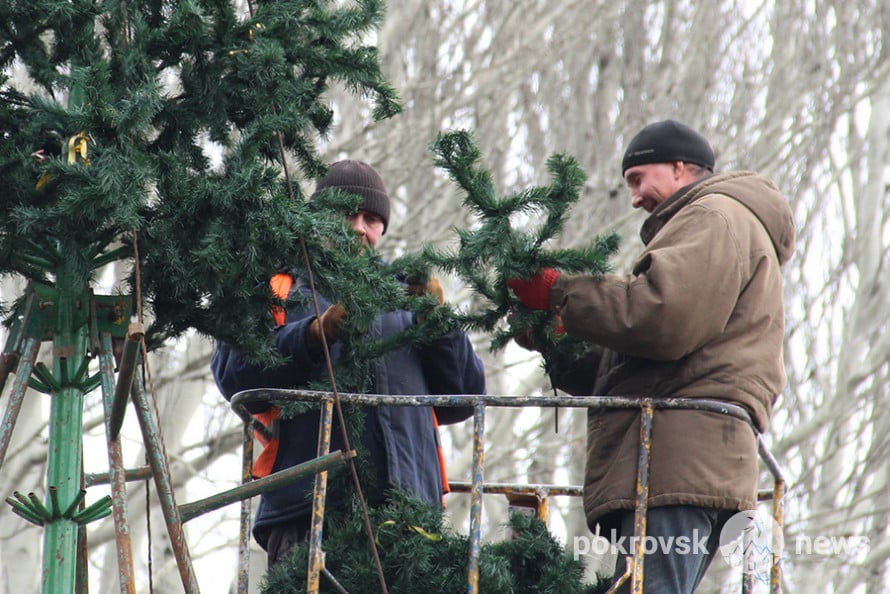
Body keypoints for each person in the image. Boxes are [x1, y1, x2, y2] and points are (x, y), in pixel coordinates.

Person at [507, 120, 795, 592]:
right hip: (684, 459)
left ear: (680, 168)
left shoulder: (714, 216)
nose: (635, 197)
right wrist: (554, 335)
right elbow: (632, 361)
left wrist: (561, 293)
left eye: (639, 179)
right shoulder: (714, 222)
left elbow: (661, 317)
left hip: (674, 459)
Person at [212, 159, 486, 567]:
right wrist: (313, 335)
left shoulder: (408, 297)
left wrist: (438, 319)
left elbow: (465, 398)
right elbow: (235, 374)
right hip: (308, 514)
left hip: (409, 515)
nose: (359, 227)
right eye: (346, 214)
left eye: (372, 219)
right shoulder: (278, 289)